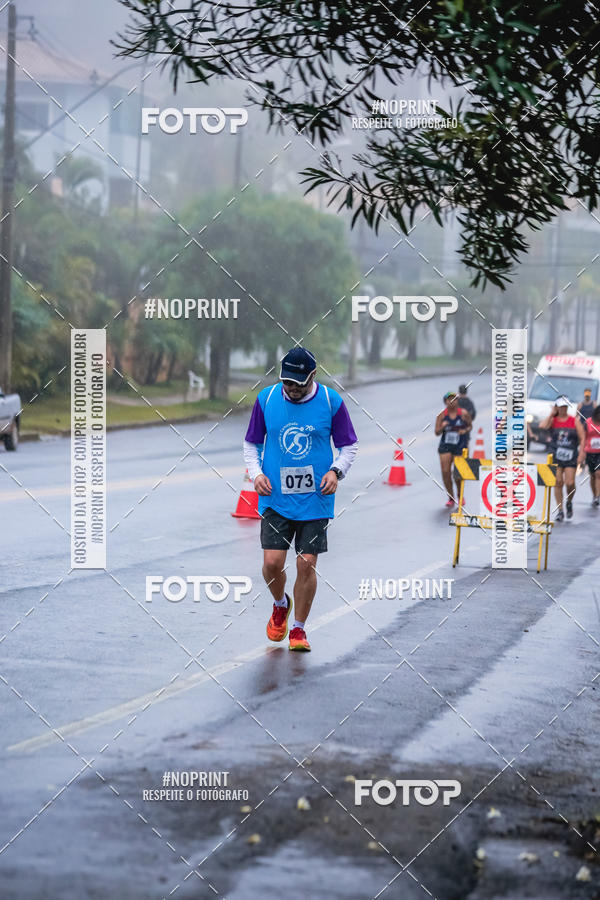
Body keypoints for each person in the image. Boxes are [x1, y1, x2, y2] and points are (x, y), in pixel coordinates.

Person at [243, 347, 358, 652]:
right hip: (274, 497)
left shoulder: (331, 402)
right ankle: (281, 604)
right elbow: (251, 443)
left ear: (312, 377)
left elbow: (349, 447)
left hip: (316, 499)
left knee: (306, 565)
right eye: (287, 383)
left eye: (298, 384)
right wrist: (256, 474)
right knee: (271, 563)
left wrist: (336, 472)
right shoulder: (266, 399)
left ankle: (298, 629)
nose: (291, 389)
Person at [540, 396, 585, 521]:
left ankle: (569, 502)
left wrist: (582, 453)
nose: (563, 409)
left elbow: (582, 438)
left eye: (565, 407)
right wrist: (551, 414)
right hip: (555, 455)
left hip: (570, 455)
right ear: (557, 407)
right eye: (560, 407)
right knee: (558, 482)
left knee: (570, 483)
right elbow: (542, 426)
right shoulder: (553, 420)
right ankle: (560, 510)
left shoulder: (573, 421)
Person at [435, 390, 472, 508]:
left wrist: (464, 430)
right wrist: (443, 427)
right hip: (445, 445)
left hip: (460, 444)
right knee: (445, 472)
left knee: (457, 472)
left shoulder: (463, 413)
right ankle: (451, 497)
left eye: (454, 399)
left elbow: (470, 426)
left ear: (457, 401)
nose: (452, 401)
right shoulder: (442, 415)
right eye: (449, 399)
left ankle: (460, 496)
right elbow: (436, 432)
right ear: (445, 402)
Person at [577, 388, 597, 500]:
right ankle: (582, 462)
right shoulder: (580, 405)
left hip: (592, 428)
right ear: (584, 395)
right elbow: (577, 416)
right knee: (582, 444)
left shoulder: (593, 404)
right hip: (584, 428)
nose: (587, 396)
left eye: (589, 394)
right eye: (586, 395)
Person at [578, 404, 600, 507]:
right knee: (592, 475)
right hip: (590, 452)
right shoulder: (588, 422)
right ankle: (594, 495)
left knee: (598, 474)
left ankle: (597, 497)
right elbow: (583, 438)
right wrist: (582, 453)